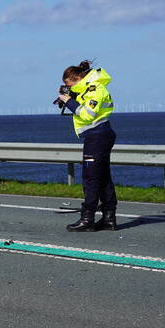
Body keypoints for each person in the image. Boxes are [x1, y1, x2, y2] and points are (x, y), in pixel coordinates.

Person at [56, 60, 117, 231]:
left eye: (69, 84)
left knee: (90, 179)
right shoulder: (87, 90)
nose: (68, 87)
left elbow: (87, 114)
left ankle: (87, 218)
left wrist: (69, 101)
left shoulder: (95, 89)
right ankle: (109, 218)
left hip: (97, 136)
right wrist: (69, 99)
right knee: (103, 178)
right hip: (98, 135)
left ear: (77, 78)